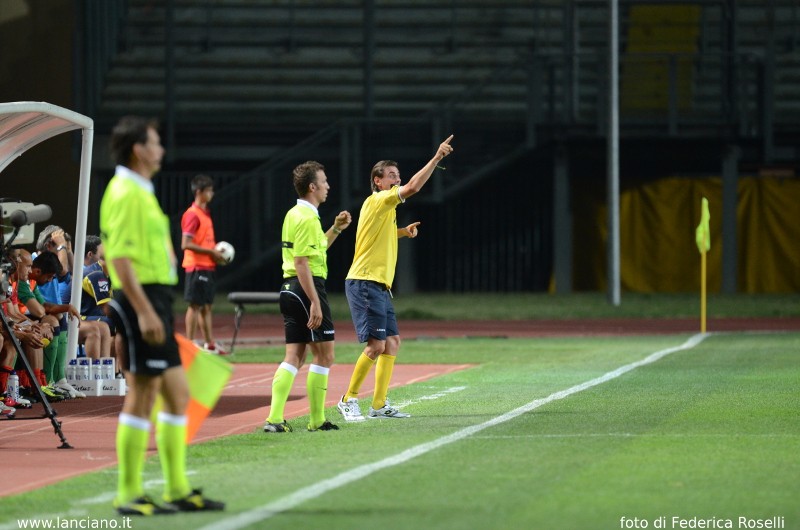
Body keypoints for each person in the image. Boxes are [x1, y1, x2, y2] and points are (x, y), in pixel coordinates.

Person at [100, 115, 224, 515]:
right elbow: (117, 256)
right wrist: (142, 310)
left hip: (156, 300)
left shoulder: (140, 188)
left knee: (178, 396)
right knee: (142, 395)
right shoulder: (125, 191)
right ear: (139, 149)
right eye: (155, 142)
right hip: (142, 302)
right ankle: (129, 494)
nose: (162, 149)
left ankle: (176, 489)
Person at [337, 135, 454, 421]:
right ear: (377, 181)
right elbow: (413, 187)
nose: (396, 180)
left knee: (392, 342)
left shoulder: (383, 210)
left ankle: (378, 405)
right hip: (364, 282)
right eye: (391, 176)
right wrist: (437, 157)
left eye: (397, 176)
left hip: (378, 285)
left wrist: (402, 232)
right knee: (376, 345)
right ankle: (348, 399)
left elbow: (374, 237)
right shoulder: (378, 200)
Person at [262, 161, 351, 433]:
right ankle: (316, 420)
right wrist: (314, 300)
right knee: (325, 355)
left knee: (295, 356)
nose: (328, 186)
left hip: (290, 288)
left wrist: (335, 229)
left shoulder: (295, 214)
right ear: (312, 187)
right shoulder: (307, 217)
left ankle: (275, 420)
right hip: (306, 288)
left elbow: (315, 250)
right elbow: (302, 262)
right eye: (324, 181)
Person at [180, 174, 228, 355]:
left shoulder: (204, 214)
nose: (212, 194)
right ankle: (190, 344)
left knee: (207, 306)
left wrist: (215, 252)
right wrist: (212, 252)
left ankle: (210, 344)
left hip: (207, 266)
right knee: (194, 305)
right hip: (196, 266)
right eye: (209, 190)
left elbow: (204, 241)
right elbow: (186, 244)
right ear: (199, 192)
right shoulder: (192, 214)